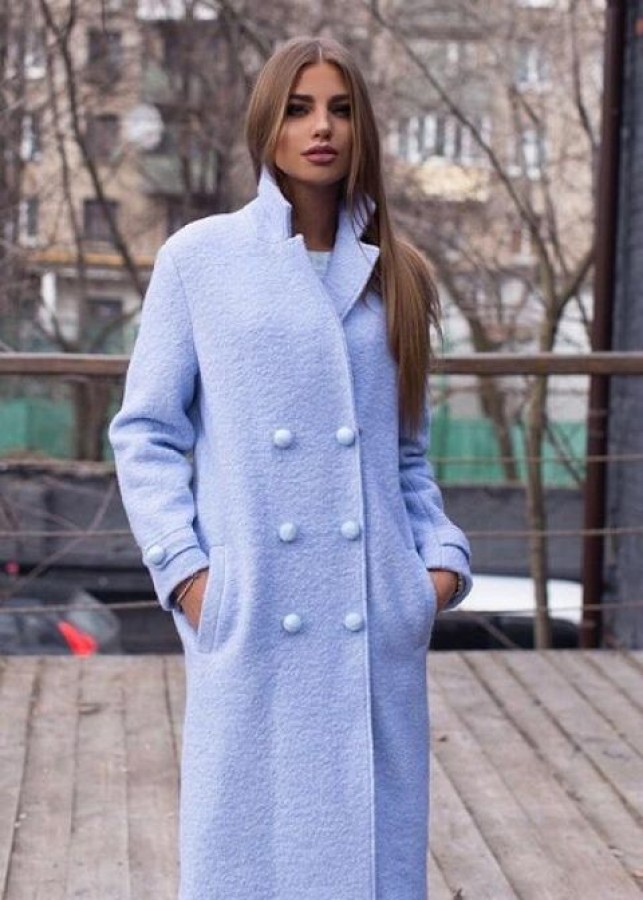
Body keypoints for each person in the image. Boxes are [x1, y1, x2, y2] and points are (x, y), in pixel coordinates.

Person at [110, 35, 471, 900]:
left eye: (340, 110)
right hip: (256, 616)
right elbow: (146, 432)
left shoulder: (399, 274)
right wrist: (190, 578)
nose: (322, 128)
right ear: (265, 124)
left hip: (370, 621)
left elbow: (405, 455)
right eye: (299, 109)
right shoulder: (199, 260)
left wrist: (433, 571)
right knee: (247, 860)